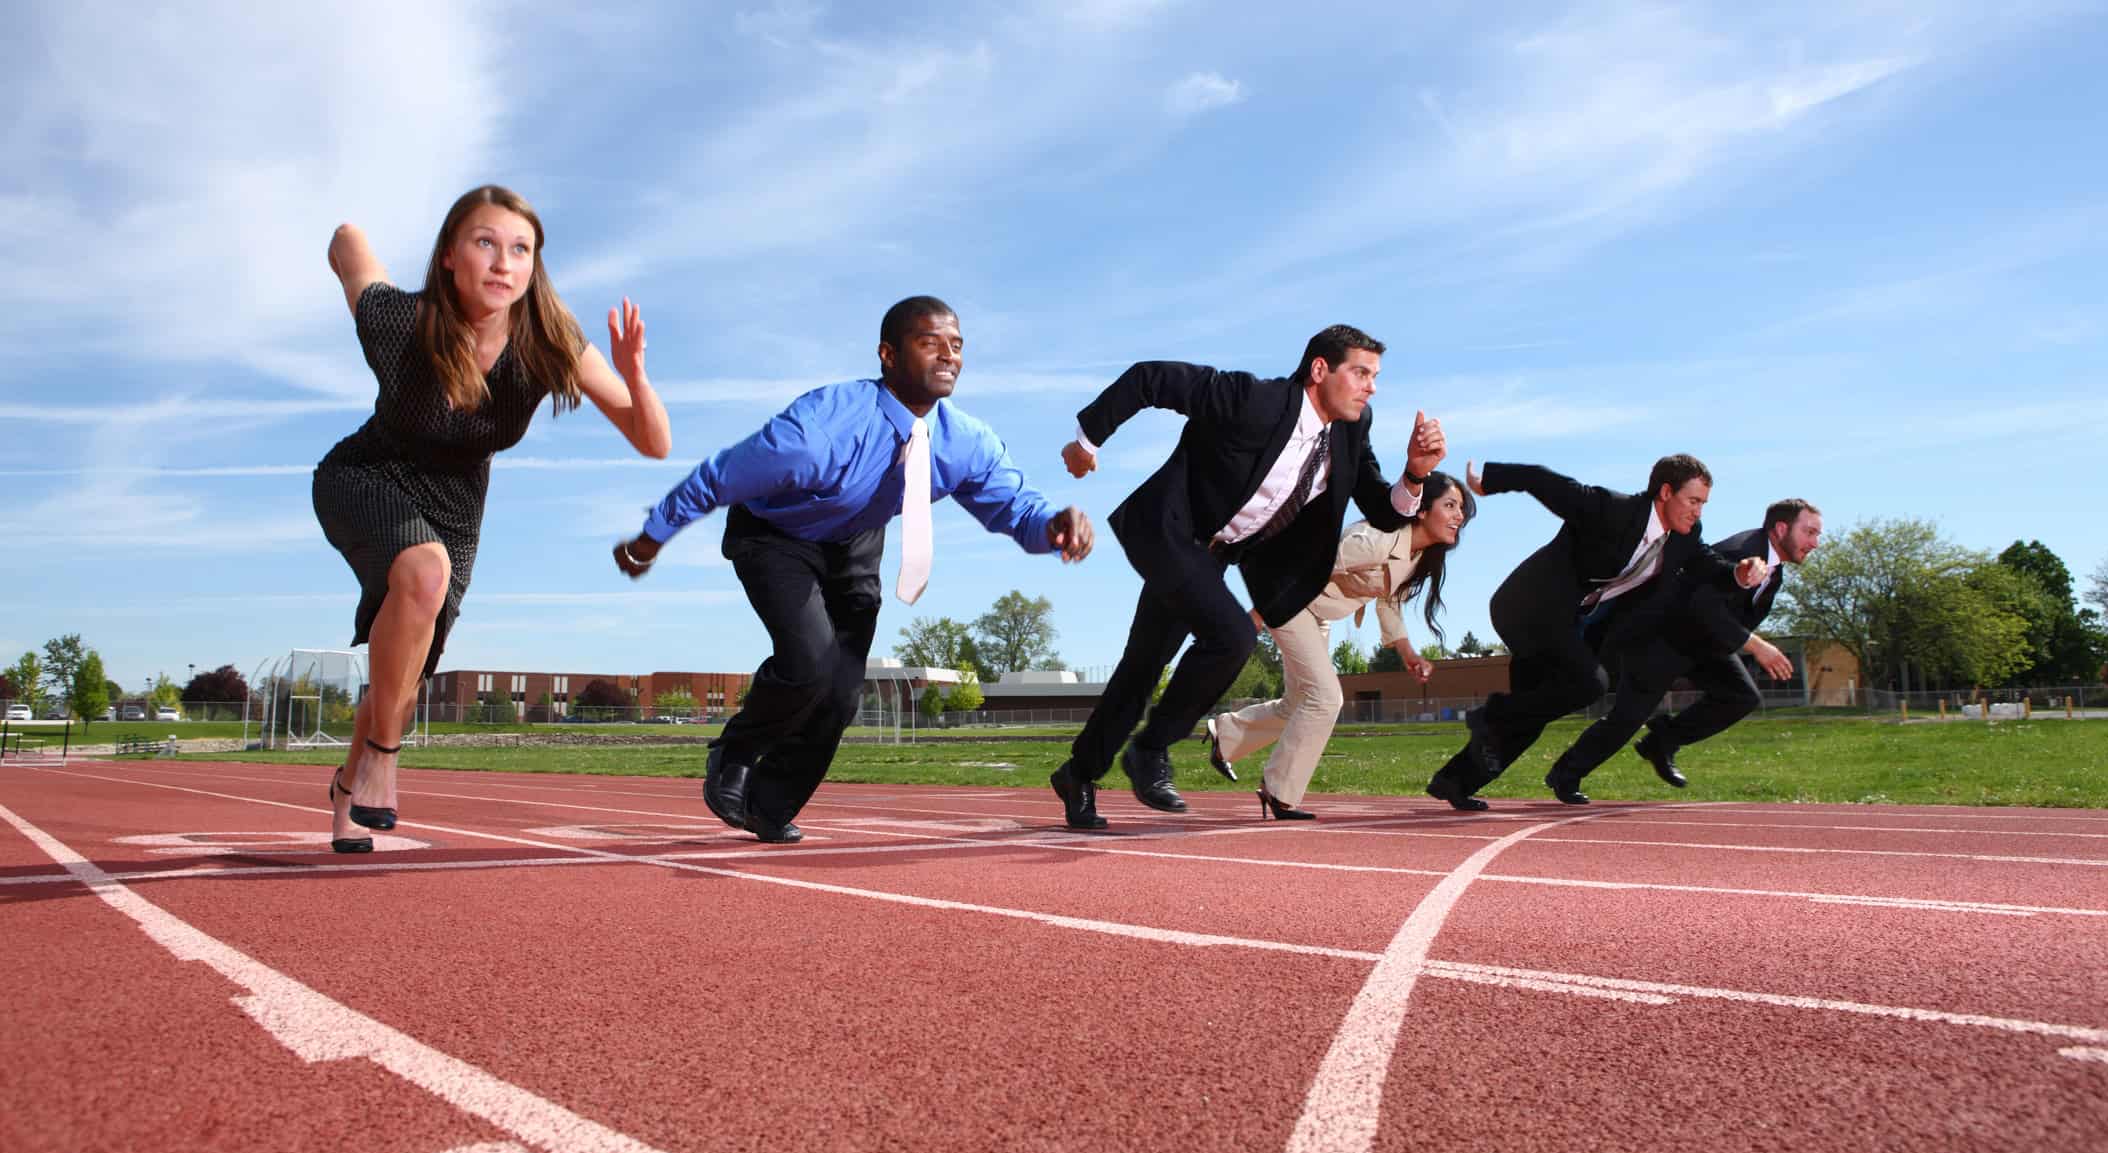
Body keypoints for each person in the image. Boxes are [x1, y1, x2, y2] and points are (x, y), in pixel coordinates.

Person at [614, 297, 1093, 842]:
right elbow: (720, 476)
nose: (948, 356)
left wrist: (1053, 524)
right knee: (810, 661)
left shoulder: (964, 442)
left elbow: (1015, 508)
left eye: (956, 345)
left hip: (855, 542)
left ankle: (770, 804)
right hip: (775, 535)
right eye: (929, 342)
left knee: (841, 691)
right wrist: (651, 538)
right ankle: (736, 752)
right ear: (888, 355)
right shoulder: (819, 430)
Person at [315, 185, 671, 854]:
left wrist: (635, 375)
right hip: (365, 476)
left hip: (455, 506)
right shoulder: (402, 321)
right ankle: (385, 758)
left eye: (520, 249)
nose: (503, 263)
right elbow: (346, 244)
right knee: (423, 574)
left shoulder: (549, 341)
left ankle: (345, 787)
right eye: (485, 243)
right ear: (450, 255)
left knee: (407, 673)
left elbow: (652, 441)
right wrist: (352, 238)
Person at [1050, 325, 1446, 830]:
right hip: (1170, 532)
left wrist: (1414, 474)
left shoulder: (1351, 428)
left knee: (1142, 667)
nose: (1372, 387)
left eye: (1376, 377)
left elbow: (1379, 508)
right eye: (1361, 373)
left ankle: (1078, 773)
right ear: (1320, 370)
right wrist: (1087, 440)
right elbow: (1150, 379)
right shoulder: (1250, 398)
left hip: (1217, 556)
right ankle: (1150, 750)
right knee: (1232, 637)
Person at [1425, 454, 1768, 812]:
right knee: (1587, 684)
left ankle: (1456, 779)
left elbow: (1707, 565)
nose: (1698, 511)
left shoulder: (1683, 536)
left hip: (1571, 621)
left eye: (1703, 504)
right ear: (1666, 492)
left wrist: (1738, 575)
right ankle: (1490, 715)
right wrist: (1488, 481)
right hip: (1529, 606)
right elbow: (1543, 479)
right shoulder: (1611, 509)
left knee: (1535, 704)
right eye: (1693, 501)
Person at [1203, 472, 1475, 819]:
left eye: (1462, 509)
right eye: (1450, 505)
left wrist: (1408, 654)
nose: (1459, 516)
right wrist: (1258, 613)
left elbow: (1389, 603)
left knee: (1299, 703)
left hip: (1320, 612)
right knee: (1326, 697)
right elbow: (1311, 564)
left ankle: (1225, 735)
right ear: (1422, 510)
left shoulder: (1418, 557)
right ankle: (1279, 792)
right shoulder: (1376, 538)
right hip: (1291, 602)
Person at [1546, 498, 1823, 797]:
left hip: (1706, 643)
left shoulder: (1774, 571)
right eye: (1809, 532)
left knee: (1741, 696)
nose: (1815, 542)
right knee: (1628, 717)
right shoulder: (1739, 552)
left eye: (1817, 534)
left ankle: (1661, 741)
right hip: (1662, 637)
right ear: (1781, 528)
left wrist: (1736, 643)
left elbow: (1736, 617)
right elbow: (1701, 605)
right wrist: (1755, 646)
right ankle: (1566, 773)